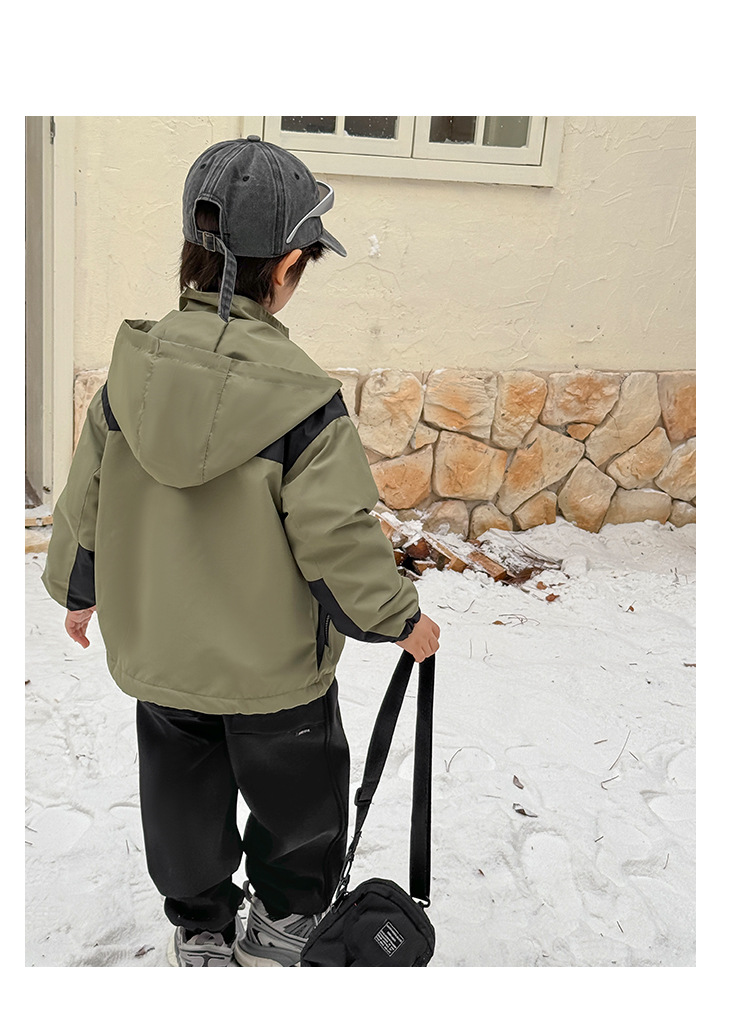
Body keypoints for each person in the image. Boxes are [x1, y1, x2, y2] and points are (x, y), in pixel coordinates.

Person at [41, 135, 441, 968]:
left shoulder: (131, 377)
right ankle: (286, 917)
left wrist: (79, 588)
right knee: (300, 804)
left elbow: (87, 497)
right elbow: (336, 537)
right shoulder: (303, 401)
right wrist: (399, 618)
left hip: (164, 659)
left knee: (180, 801)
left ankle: (200, 922)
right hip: (275, 673)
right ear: (287, 267)